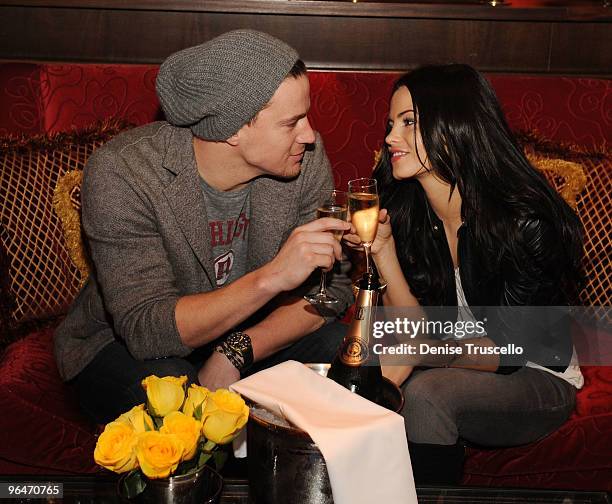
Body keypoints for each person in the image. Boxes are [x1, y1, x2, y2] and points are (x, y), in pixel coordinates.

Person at [54, 30, 353, 424]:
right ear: (231, 129)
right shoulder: (124, 172)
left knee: (347, 353)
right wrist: (271, 278)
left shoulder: (303, 160)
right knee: (174, 398)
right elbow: (147, 329)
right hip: (125, 346)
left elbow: (331, 292)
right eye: (292, 122)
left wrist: (236, 350)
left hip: (248, 331)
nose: (309, 135)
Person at [345, 64, 584, 484]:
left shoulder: (526, 222)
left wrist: (421, 354)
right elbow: (414, 330)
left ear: (454, 125)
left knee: (427, 395)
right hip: (449, 356)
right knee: (345, 356)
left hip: (537, 375)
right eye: (390, 124)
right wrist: (383, 252)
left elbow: (511, 352)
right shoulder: (409, 211)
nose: (389, 138)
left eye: (408, 123)